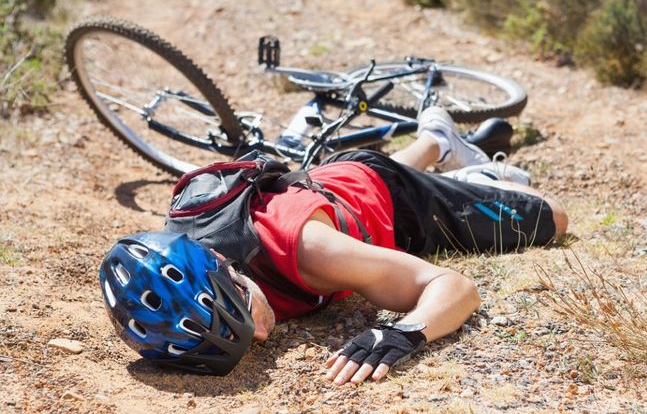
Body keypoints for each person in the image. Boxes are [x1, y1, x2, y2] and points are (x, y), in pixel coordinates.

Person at [99, 106, 568, 382]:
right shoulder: (183, 262)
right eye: (239, 339)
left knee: (553, 217)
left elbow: (452, 285)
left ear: (225, 265)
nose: (261, 334)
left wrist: (403, 333)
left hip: (396, 202)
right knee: (372, 171)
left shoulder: (309, 250)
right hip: (334, 180)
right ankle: (437, 140)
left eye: (242, 312)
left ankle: (477, 176)